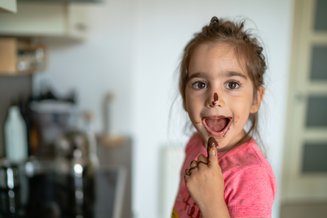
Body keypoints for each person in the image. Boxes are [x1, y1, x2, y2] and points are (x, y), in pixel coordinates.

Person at [171, 16, 276, 218]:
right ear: (185, 99)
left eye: (232, 84)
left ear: (256, 99)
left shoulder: (251, 176)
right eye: (200, 84)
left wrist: (212, 204)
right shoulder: (195, 144)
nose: (214, 99)